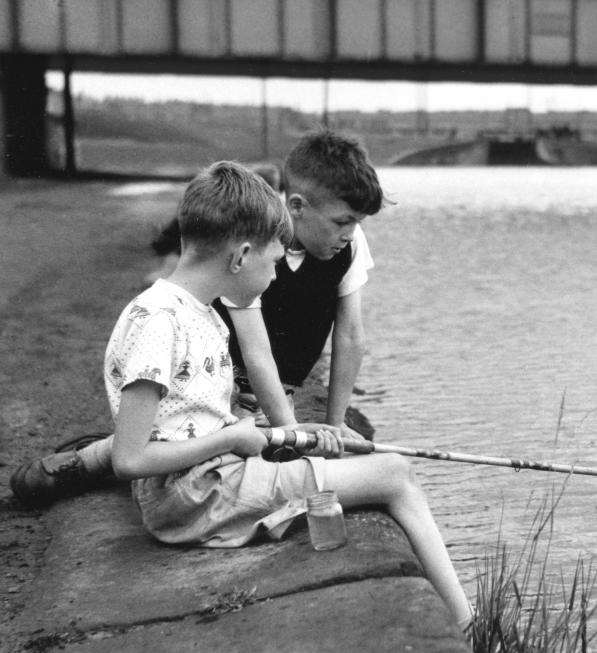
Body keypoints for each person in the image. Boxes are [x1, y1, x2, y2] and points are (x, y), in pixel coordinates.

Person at [76, 160, 473, 626]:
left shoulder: (194, 311)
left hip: (209, 480)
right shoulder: (161, 324)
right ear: (241, 257)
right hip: (197, 496)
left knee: (348, 459)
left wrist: (292, 433)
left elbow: (190, 418)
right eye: (273, 261)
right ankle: (466, 625)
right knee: (396, 475)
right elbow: (130, 460)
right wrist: (229, 440)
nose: (275, 275)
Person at [12, 131, 381, 506]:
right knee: (209, 447)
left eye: (356, 223)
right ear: (298, 206)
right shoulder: (252, 239)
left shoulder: (349, 241)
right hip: (220, 389)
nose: (350, 233)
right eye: (342, 221)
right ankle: (90, 460)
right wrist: (289, 432)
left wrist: (335, 424)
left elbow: (350, 336)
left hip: (269, 394)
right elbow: (256, 351)